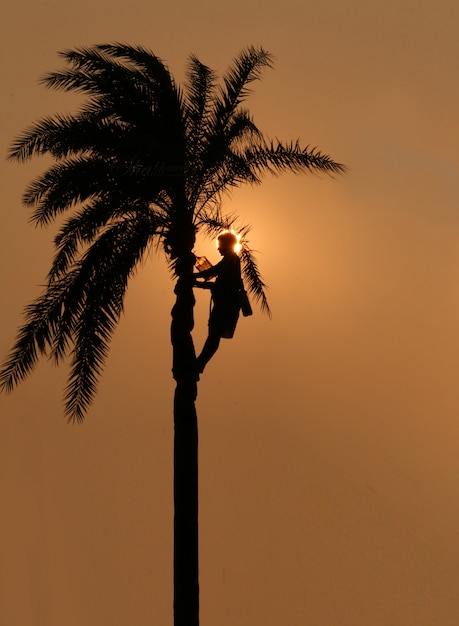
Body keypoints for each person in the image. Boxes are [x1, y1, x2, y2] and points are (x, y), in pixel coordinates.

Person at [194, 231, 242, 374]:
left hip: (225, 306)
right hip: (225, 305)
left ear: (227, 245)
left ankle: (200, 363)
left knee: (214, 337)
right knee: (213, 337)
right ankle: (200, 363)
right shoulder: (230, 260)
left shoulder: (231, 259)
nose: (218, 248)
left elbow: (214, 271)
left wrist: (194, 276)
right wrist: (196, 282)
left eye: (220, 245)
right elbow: (218, 281)